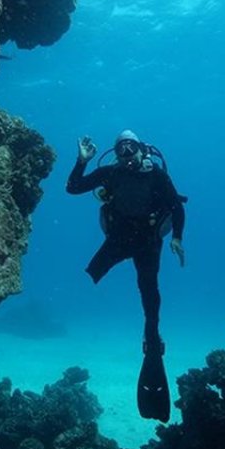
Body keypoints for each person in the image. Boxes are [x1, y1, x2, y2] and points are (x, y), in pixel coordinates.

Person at [66, 130, 186, 422]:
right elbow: (73, 187)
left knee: (149, 290)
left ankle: (152, 342)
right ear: (116, 153)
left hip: (147, 239)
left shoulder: (156, 175)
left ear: (142, 149)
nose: (126, 154)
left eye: (131, 147)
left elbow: (177, 207)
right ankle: (76, 319)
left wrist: (177, 239)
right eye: (121, 148)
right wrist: (82, 161)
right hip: (120, 236)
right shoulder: (111, 173)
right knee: (90, 274)